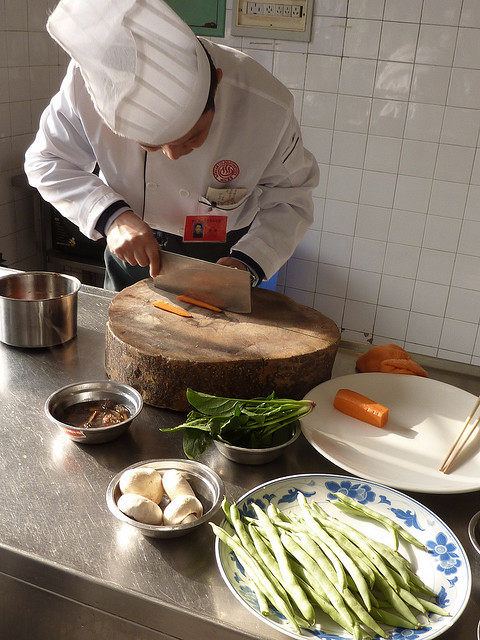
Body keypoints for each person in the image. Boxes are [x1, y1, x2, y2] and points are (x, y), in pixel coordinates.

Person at [24, 0, 319, 292]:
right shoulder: (88, 84)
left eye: (192, 137)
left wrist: (247, 262)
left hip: (224, 253)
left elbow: (291, 199)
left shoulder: (266, 105)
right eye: (151, 146)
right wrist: (112, 217)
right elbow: (46, 161)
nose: (173, 155)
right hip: (131, 245)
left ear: (216, 82)